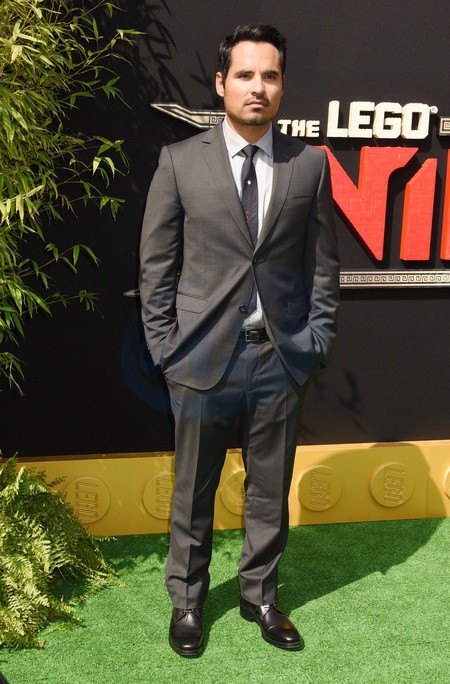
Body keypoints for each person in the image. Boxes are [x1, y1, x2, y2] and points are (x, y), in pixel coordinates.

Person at [139, 24, 340, 657]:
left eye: (270, 76)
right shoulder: (180, 161)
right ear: (222, 83)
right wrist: (165, 348)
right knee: (192, 489)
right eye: (246, 75)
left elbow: (323, 267)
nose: (259, 87)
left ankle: (261, 596)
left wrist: (313, 341)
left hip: (280, 356)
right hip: (198, 357)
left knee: (270, 488)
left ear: (282, 85)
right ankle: (188, 602)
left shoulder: (308, 164)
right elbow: (156, 267)